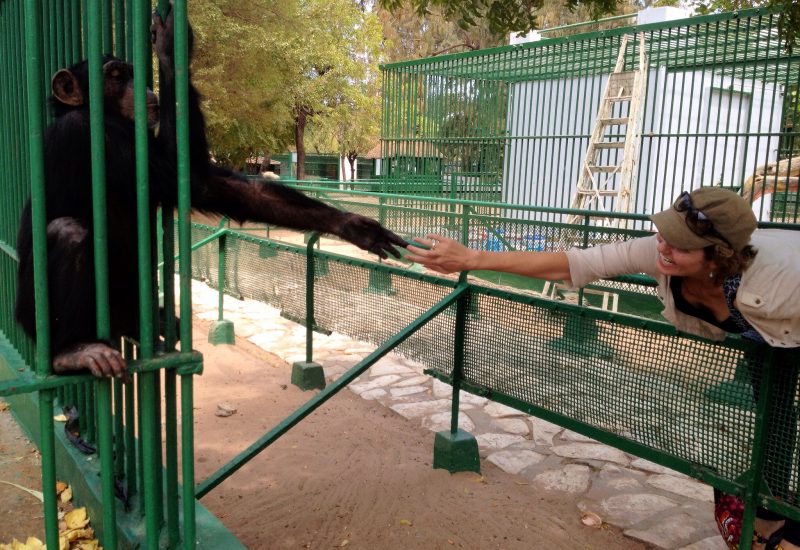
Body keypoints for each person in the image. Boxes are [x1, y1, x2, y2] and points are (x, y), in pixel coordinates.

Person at [406, 187, 800, 550]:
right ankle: (769, 519)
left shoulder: (784, 284)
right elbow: (578, 264)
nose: (662, 244)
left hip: (787, 320)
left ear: (718, 255)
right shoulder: (660, 252)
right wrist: (475, 259)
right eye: (663, 232)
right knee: (775, 423)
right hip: (765, 336)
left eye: (679, 243)